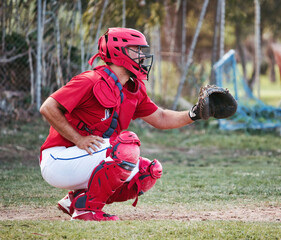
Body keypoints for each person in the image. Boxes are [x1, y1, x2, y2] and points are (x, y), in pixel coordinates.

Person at [39, 27, 236, 222]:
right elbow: (48, 107)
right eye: (137, 50)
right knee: (126, 147)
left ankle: (76, 200)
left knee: (146, 172)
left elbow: (161, 117)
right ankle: (86, 210)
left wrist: (195, 113)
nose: (142, 56)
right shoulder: (89, 80)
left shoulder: (133, 88)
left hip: (83, 158)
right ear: (119, 52)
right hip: (58, 159)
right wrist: (78, 139)